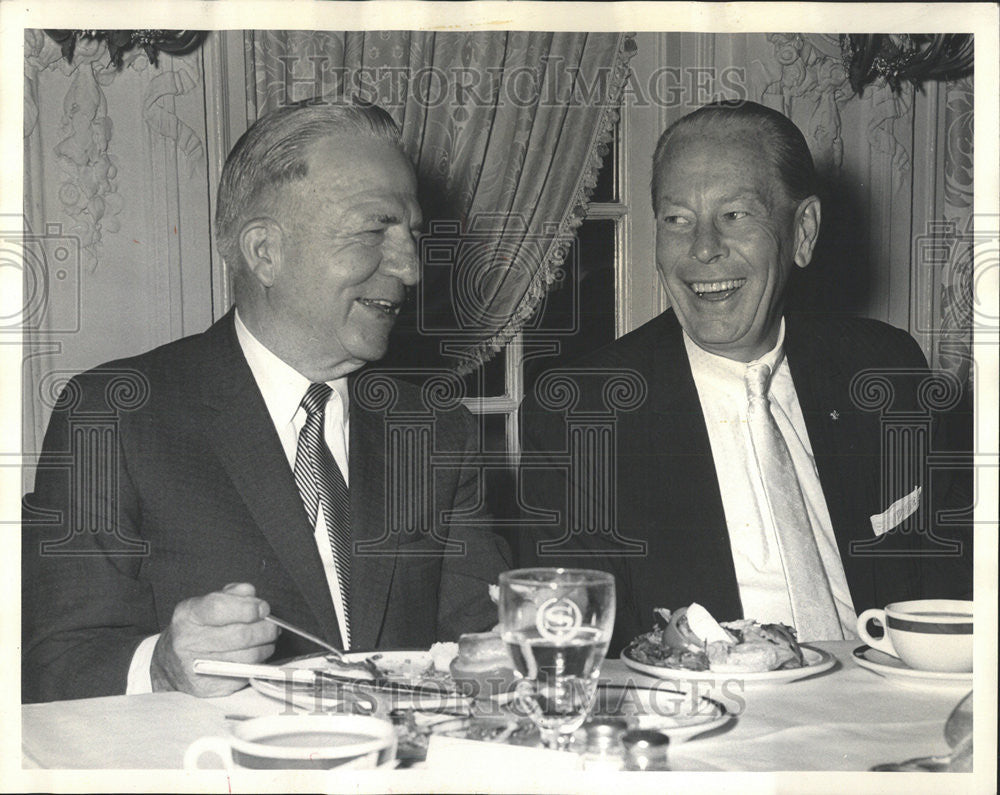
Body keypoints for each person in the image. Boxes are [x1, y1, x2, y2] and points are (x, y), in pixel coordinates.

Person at [22, 100, 511, 703]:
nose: (409, 268)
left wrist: (515, 648)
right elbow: (53, 668)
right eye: (372, 231)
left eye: (411, 234)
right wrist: (161, 667)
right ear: (264, 252)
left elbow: (480, 644)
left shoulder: (436, 431)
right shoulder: (114, 416)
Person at [518, 101, 971, 654]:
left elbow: (956, 590)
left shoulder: (885, 371)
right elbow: (574, 647)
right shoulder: (582, 413)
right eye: (676, 219)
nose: (703, 248)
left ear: (803, 231)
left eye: (735, 215)